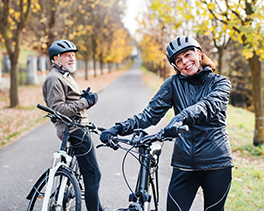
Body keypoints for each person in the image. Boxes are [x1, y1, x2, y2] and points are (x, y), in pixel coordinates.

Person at [100, 36, 233, 211]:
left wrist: (181, 118)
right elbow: (149, 115)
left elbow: (208, 106)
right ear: (175, 66)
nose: (185, 62)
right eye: (178, 60)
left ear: (199, 54)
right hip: (183, 164)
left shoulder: (220, 83)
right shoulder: (173, 84)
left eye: (187, 55)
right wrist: (118, 128)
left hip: (217, 163)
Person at [42, 39, 103, 211]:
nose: (72, 58)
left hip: (79, 128)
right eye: (67, 55)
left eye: (73, 55)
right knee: (93, 175)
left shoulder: (64, 76)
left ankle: (97, 207)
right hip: (74, 130)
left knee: (88, 173)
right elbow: (59, 109)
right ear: (55, 59)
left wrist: (82, 98)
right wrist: (86, 102)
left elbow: (68, 101)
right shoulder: (54, 79)